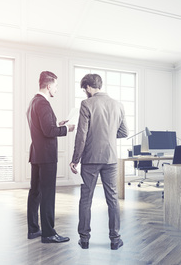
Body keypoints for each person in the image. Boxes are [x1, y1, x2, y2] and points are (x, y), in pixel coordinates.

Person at [69, 73, 128, 250]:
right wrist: (108, 134)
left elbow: (81, 135)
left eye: (84, 89)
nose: (84, 92)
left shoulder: (86, 104)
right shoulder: (118, 105)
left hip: (90, 159)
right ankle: (115, 239)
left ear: (88, 87)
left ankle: (84, 239)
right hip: (110, 159)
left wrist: (75, 159)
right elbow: (124, 132)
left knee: (86, 199)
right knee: (113, 199)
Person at [27, 71, 75, 243]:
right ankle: (48, 233)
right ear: (48, 86)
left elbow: (43, 127)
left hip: (36, 154)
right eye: (56, 85)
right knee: (47, 194)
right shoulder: (44, 104)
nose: (57, 89)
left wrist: (57, 124)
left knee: (35, 192)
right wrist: (66, 129)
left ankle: (33, 230)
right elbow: (48, 132)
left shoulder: (33, 102)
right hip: (46, 156)